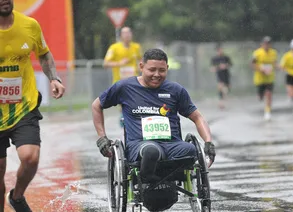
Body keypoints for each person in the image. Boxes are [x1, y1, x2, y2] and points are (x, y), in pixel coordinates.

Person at [0, 0, 65, 212]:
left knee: (30, 157)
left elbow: (44, 53)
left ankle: (17, 196)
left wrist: (54, 78)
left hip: (23, 105)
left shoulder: (30, 25)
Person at [92, 48, 216, 185]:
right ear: (141, 66)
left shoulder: (176, 90)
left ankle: (169, 179)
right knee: (151, 151)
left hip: (172, 145)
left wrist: (208, 142)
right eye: (152, 70)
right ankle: (147, 179)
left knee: (191, 150)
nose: (157, 75)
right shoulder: (125, 87)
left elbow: (197, 117)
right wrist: (102, 138)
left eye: (162, 71)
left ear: (167, 68)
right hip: (140, 146)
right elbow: (96, 106)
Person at [252, 36, 278, 121]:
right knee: (261, 97)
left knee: (269, 94)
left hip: (269, 78)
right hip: (260, 78)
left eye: (268, 43)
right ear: (262, 44)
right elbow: (253, 64)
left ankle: (267, 112)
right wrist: (261, 69)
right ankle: (260, 95)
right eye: (265, 43)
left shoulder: (273, 52)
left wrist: (277, 67)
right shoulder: (257, 53)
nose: (267, 45)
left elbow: (275, 63)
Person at [280, 39, 293, 118]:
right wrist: (286, 70)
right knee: (292, 94)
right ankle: (291, 98)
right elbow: (282, 66)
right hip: (290, 76)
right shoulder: (287, 56)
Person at [210, 44, 232, 109]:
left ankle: (223, 99)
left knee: (227, 89)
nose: (220, 51)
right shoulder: (214, 59)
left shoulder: (226, 57)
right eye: (219, 50)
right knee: (221, 88)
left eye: (221, 50)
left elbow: (230, 64)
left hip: (226, 75)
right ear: (217, 51)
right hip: (219, 76)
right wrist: (219, 67)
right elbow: (212, 69)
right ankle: (221, 103)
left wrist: (225, 66)